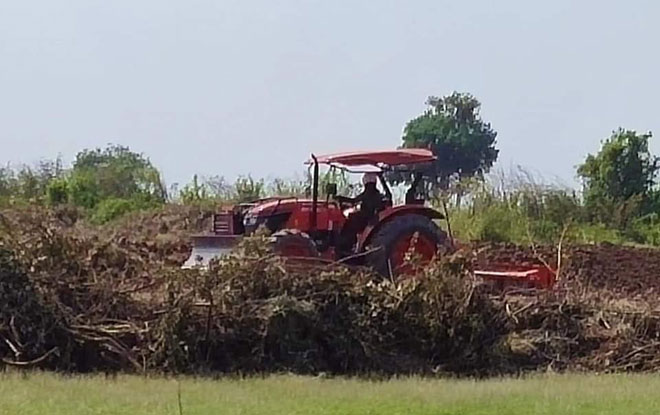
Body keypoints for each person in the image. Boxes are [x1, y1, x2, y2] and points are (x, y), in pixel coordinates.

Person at [334, 172, 384, 257]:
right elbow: (355, 201)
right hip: (368, 216)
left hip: (368, 218)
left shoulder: (369, 193)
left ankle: (345, 245)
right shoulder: (376, 194)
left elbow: (355, 201)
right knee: (351, 217)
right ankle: (346, 245)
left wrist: (341, 199)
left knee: (350, 220)